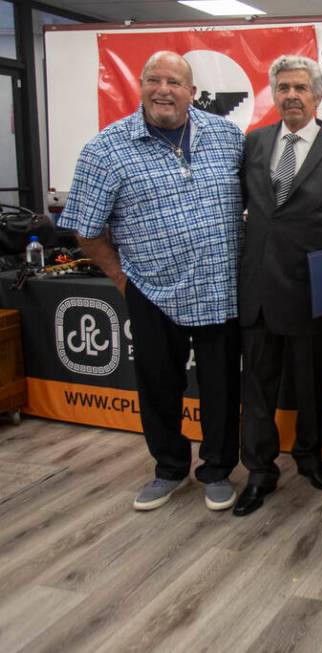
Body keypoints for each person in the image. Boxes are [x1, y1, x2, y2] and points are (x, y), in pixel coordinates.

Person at [58, 51, 244, 512]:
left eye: (175, 82)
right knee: (159, 385)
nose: (164, 90)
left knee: (222, 387)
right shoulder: (105, 149)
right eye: (154, 80)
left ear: (192, 92)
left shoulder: (228, 137)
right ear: (139, 86)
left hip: (221, 288)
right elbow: (85, 227)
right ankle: (169, 468)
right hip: (152, 292)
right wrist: (122, 279)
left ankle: (218, 469)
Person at [234, 56, 322, 516]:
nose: (291, 95)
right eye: (283, 87)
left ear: (317, 96)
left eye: (300, 88)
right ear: (274, 94)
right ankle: (259, 471)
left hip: (314, 291)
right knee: (257, 388)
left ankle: (310, 459)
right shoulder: (252, 144)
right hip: (257, 291)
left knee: (311, 385)